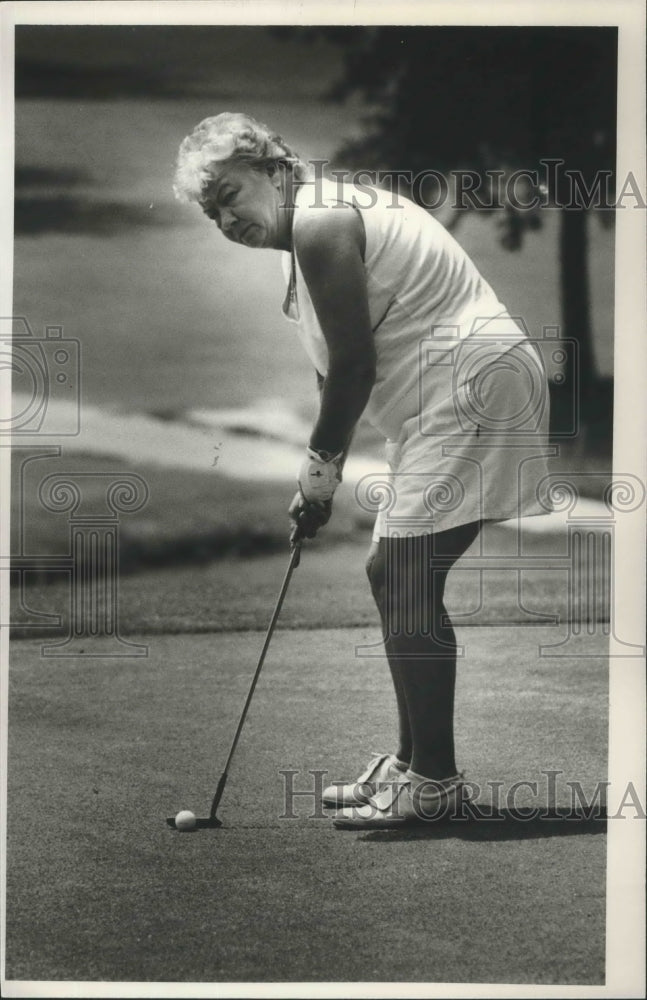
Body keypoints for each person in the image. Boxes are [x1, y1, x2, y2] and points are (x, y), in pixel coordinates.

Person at [174, 112, 552, 829]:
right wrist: (315, 483)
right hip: (445, 396)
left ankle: (433, 781)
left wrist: (319, 473)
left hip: (469, 383)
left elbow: (354, 368)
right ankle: (414, 766)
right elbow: (331, 372)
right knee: (395, 574)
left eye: (230, 193)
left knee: (403, 575)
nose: (224, 217)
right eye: (210, 210)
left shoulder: (319, 222)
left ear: (275, 169)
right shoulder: (310, 230)